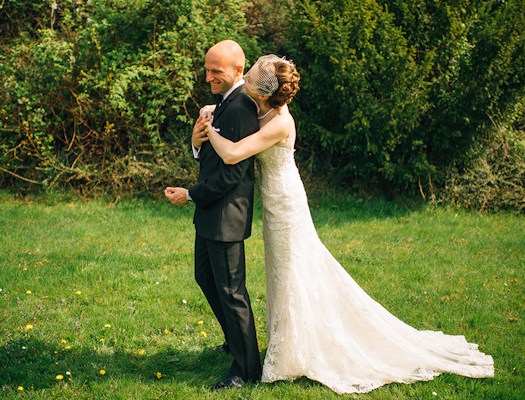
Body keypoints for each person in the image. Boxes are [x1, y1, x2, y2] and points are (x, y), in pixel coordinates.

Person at [196, 55, 494, 394]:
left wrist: (210, 132)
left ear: (262, 91)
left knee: (294, 271)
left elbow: (233, 154)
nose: (246, 76)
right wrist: (211, 109)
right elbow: (230, 102)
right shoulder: (260, 106)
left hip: (286, 203)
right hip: (273, 203)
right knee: (282, 273)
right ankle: (288, 344)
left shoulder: (280, 121)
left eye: (250, 75)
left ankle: (302, 349)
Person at [164, 40, 262, 391]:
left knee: (231, 292)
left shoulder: (240, 108)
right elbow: (208, 153)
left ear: (239, 70)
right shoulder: (223, 103)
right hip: (210, 213)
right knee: (206, 279)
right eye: (206, 70)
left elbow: (233, 174)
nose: (208, 77)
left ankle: (247, 368)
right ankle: (236, 342)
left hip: (226, 216)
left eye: (215, 71)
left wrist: (190, 194)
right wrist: (194, 142)